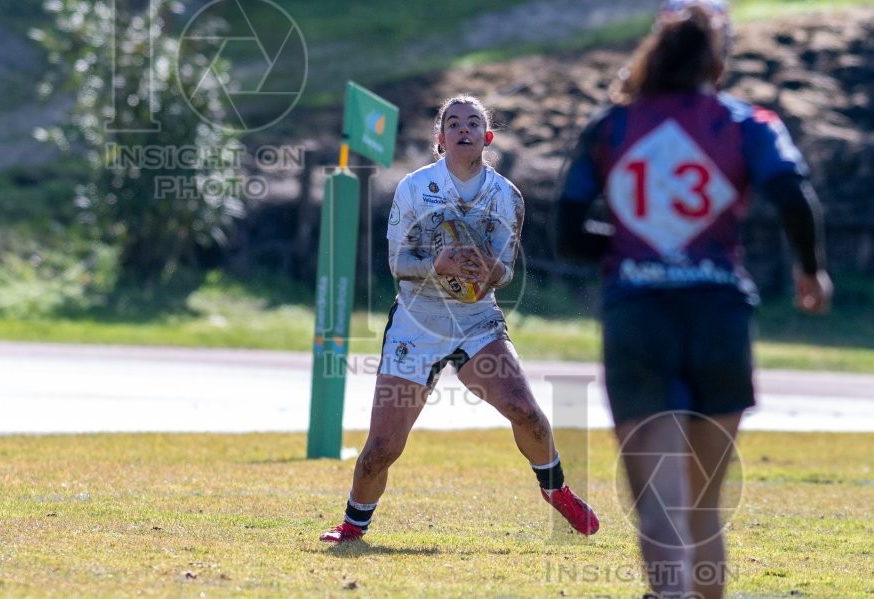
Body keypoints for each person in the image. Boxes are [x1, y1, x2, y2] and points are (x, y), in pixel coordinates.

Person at [554, 1, 832, 597]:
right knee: (704, 510)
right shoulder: (747, 123)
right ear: (718, 59)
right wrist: (811, 273)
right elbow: (792, 194)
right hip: (718, 315)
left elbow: (569, 236)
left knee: (658, 509)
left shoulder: (612, 127)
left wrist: (632, 246)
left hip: (637, 317)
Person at [320, 94, 600, 543]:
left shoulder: (506, 196)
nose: (463, 129)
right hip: (417, 319)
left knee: (526, 412)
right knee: (381, 450)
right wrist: (438, 265)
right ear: (441, 139)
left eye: (473, 123)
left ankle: (557, 491)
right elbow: (396, 262)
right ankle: (353, 525)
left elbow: (505, 270)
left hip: (475, 320)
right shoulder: (415, 187)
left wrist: (492, 273)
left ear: (487, 137)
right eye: (453, 123)